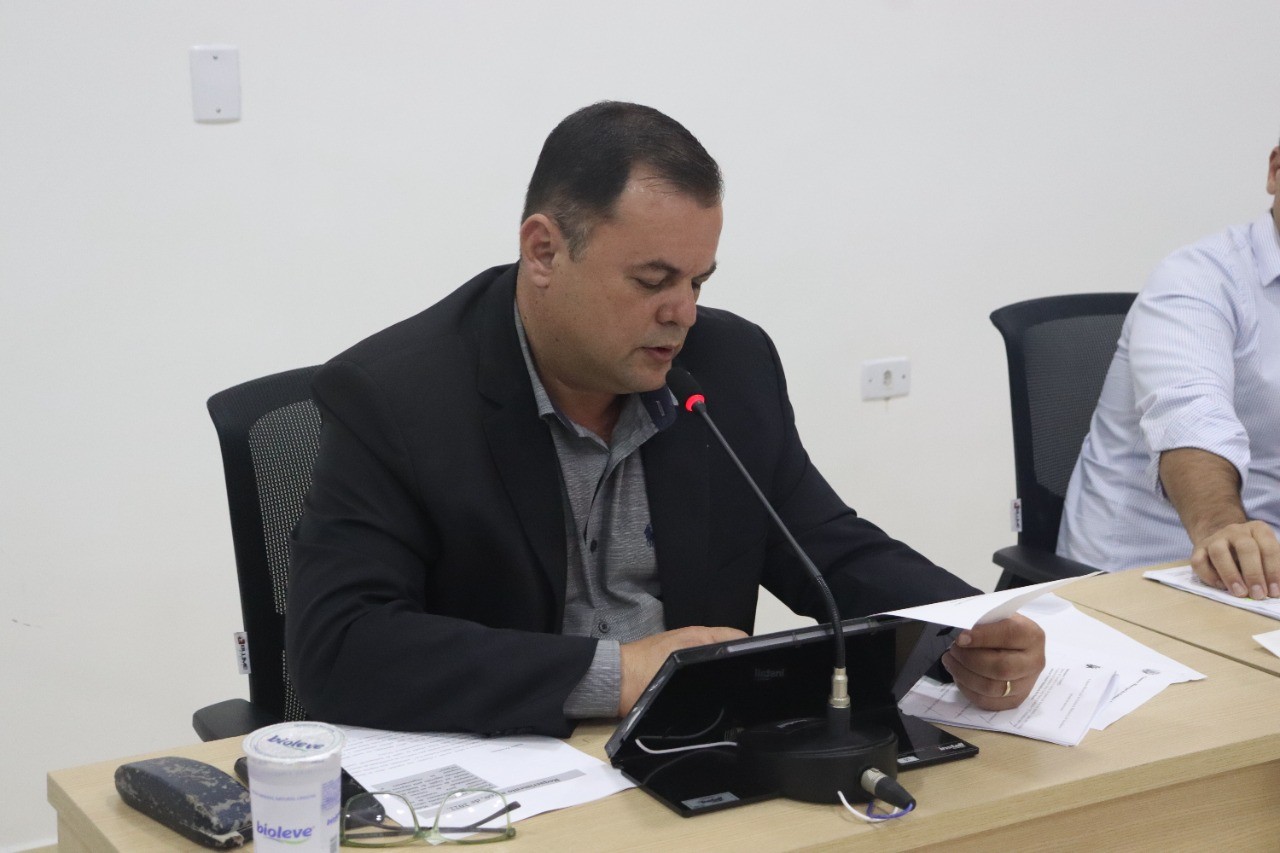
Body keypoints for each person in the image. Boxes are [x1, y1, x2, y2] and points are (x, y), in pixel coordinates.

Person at [286, 101, 1045, 737]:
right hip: (505, 777)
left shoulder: (728, 364)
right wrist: (618, 673)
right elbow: (341, 648)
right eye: (652, 281)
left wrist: (965, 626)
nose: (682, 313)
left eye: (698, 281)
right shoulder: (395, 396)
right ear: (544, 251)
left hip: (688, 756)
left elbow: (826, 546)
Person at [1058, 142, 1280, 600]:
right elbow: (1190, 415)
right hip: (1144, 573)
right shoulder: (1198, 277)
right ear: (1276, 171)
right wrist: (1221, 528)